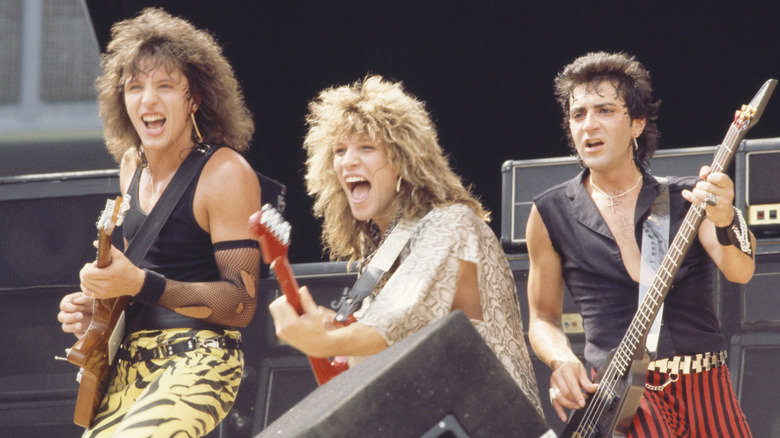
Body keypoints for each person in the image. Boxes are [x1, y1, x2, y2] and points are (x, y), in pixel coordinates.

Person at [251, 75, 543, 417]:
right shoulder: (385, 245)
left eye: (366, 147)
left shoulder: (452, 224)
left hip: (492, 419)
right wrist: (332, 325)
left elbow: (399, 321)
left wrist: (327, 340)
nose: (348, 161)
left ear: (404, 159)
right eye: (339, 150)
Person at [526, 51, 755, 436]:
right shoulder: (550, 212)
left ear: (637, 123)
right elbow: (542, 318)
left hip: (705, 389)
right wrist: (561, 360)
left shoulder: (686, 197)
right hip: (619, 399)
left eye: (604, 110)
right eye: (578, 114)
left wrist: (725, 218)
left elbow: (741, 270)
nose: (589, 125)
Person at [56, 8, 261, 437]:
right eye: (135, 87)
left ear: (194, 99)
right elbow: (139, 284)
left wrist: (139, 283)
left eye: (165, 85)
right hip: (130, 361)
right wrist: (99, 306)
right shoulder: (131, 166)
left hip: (201, 357)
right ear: (121, 100)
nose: (148, 100)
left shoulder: (225, 173)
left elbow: (241, 305)